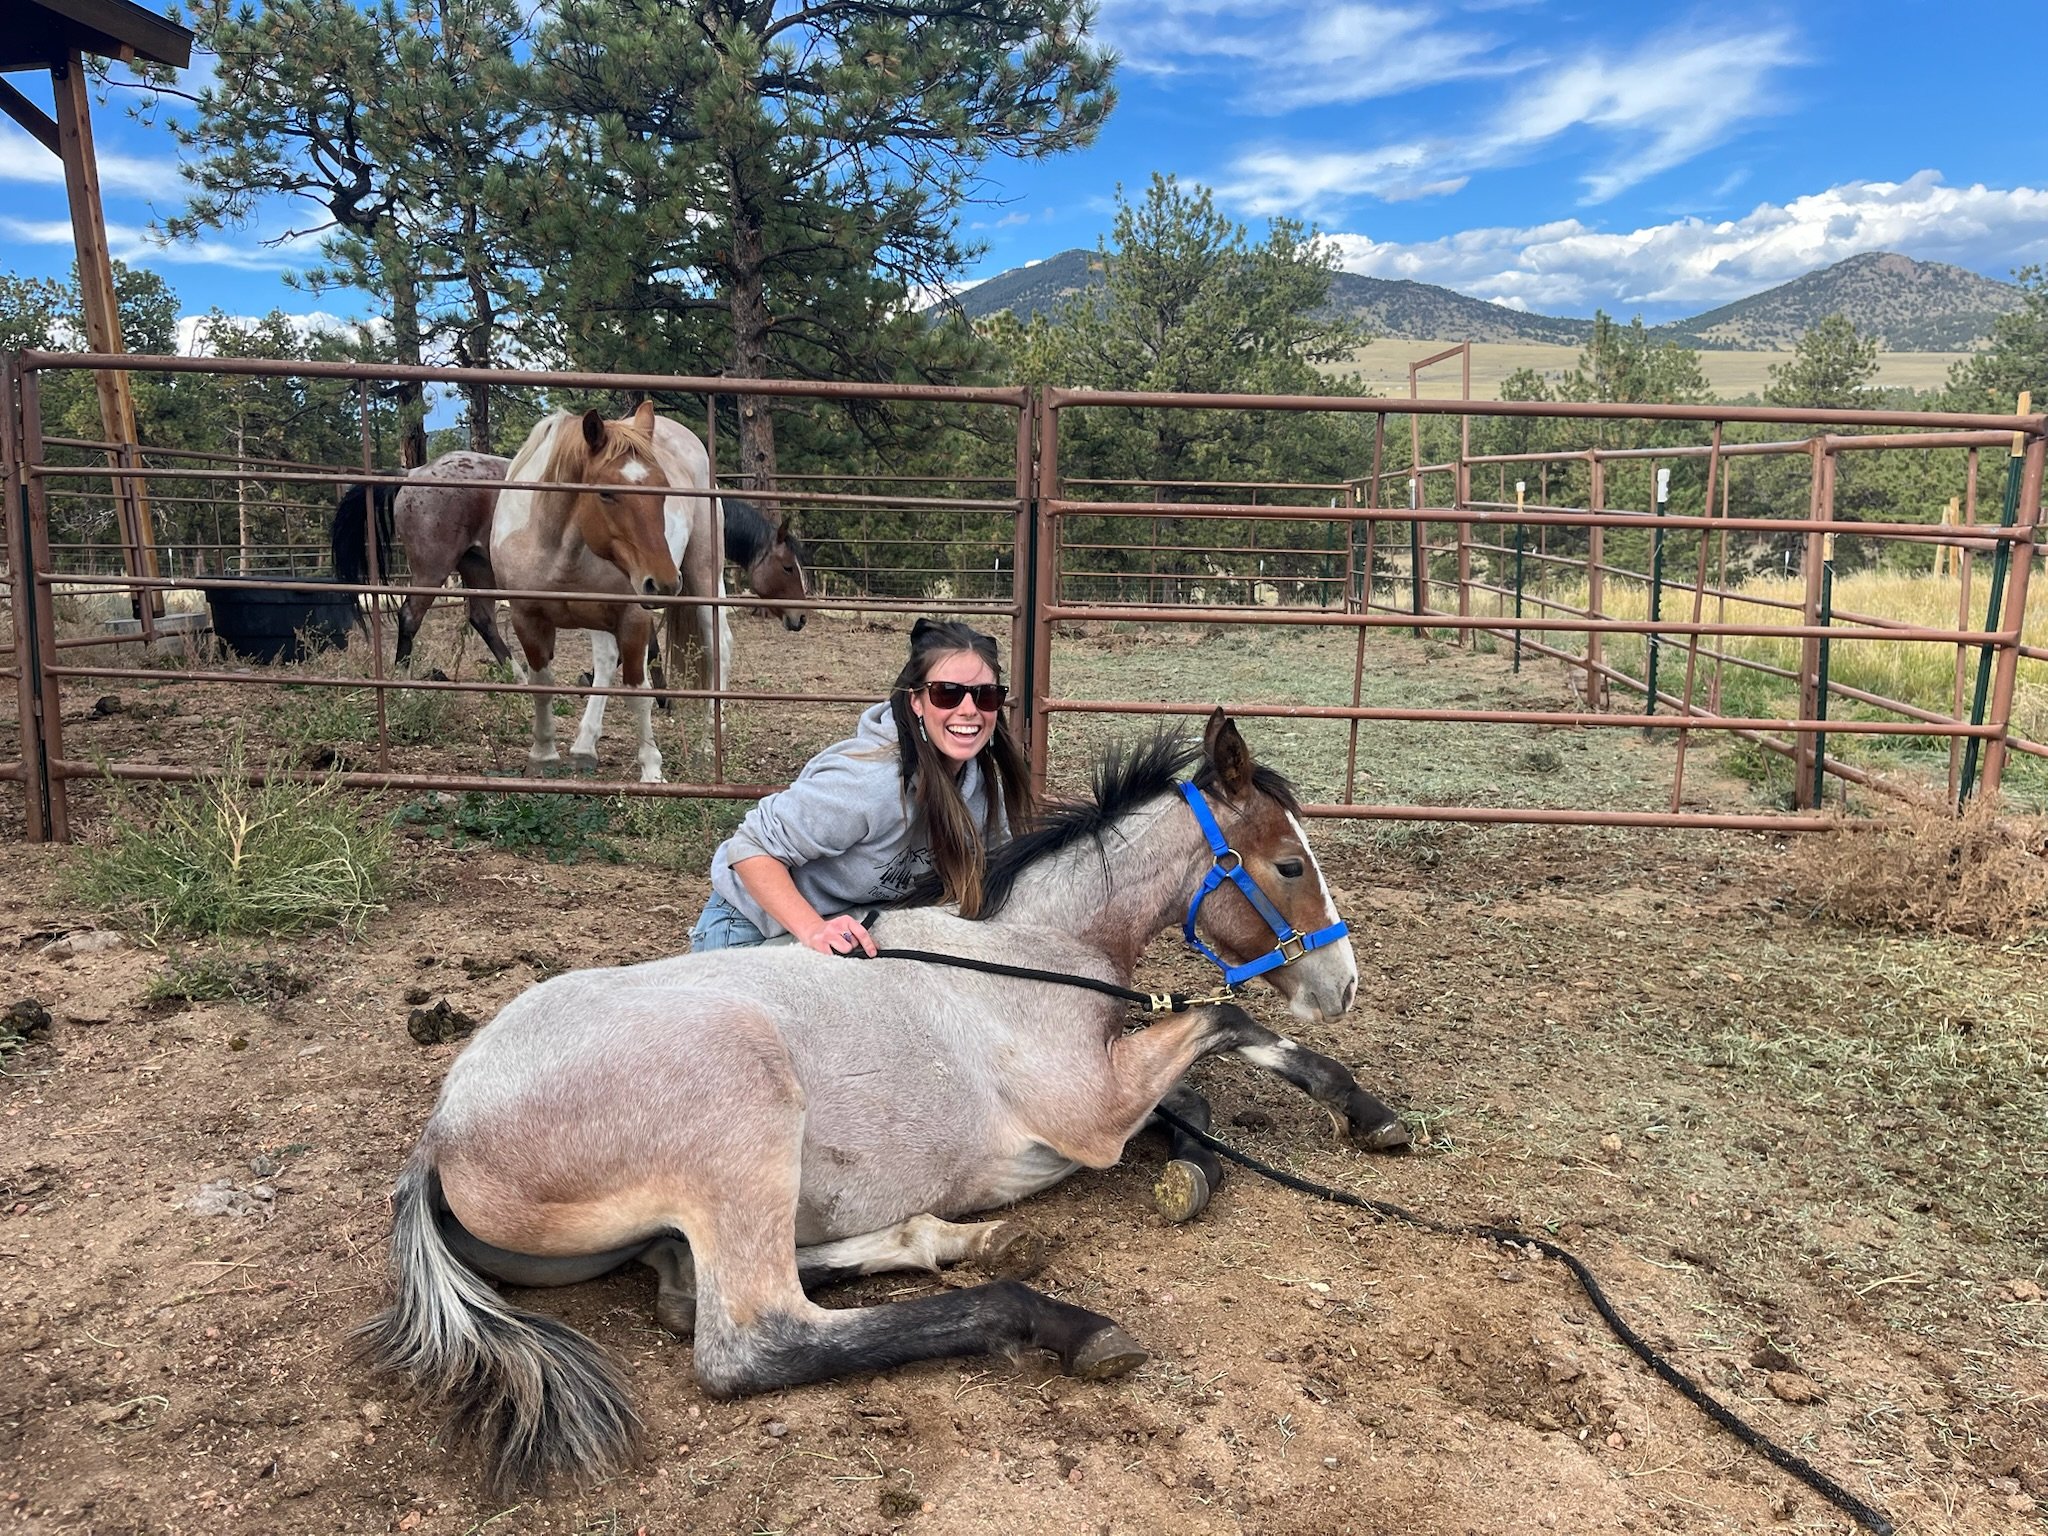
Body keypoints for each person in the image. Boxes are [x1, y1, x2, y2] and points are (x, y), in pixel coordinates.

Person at [689, 618, 1033, 954]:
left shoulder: (981, 792)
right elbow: (750, 847)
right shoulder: (869, 782)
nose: (969, 710)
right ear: (916, 701)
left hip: (853, 923)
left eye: (986, 696)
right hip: (752, 926)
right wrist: (813, 929)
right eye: (947, 694)